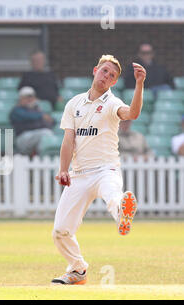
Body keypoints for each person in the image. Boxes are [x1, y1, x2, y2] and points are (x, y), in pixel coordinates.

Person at [52, 55, 147, 285]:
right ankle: (77, 269)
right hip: (79, 174)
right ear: (95, 70)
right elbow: (68, 140)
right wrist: (63, 169)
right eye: (104, 71)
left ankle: (123, 213)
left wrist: (139, 84)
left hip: (107, 169)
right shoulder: (74, 103)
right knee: (60, 231)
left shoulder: (112, 103)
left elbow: (132, 114)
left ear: (114, 82)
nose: (106, 77)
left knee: (114, 196)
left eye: (112, 76)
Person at [9, 86, 54, 156]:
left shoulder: (37, 110)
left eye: (31, 97)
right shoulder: (16, 110)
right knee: (46, 133)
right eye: (26, 97)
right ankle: (42, 158)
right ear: (21, 98)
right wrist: (41, 116)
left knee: (46, 134)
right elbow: (27, 116)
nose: (29, 99)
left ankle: (42, 160)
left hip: (37, 137)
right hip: (22, 139)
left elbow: (50, 122)